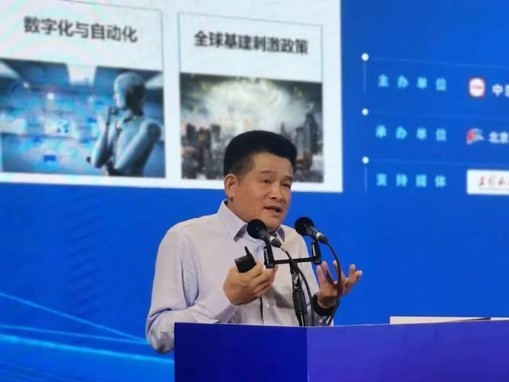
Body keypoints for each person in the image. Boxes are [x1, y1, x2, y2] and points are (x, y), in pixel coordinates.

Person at [146, 130, 361, 352]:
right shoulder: (186, 238)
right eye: (266, 181)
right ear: (231, 186)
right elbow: (159, 335)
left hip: (286, 373)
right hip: (220, 374)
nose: (278, 194)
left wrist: (323, 305)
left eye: (286, 184)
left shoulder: (293, 242)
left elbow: (307, 333)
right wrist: (227, 299)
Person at [89, 72, 161, 177]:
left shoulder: (148, 126)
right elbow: (96, 162)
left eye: (117, 92)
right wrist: (106, 127)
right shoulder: (118, 124)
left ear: (129, 93)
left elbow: (117, 171)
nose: (114, 97)